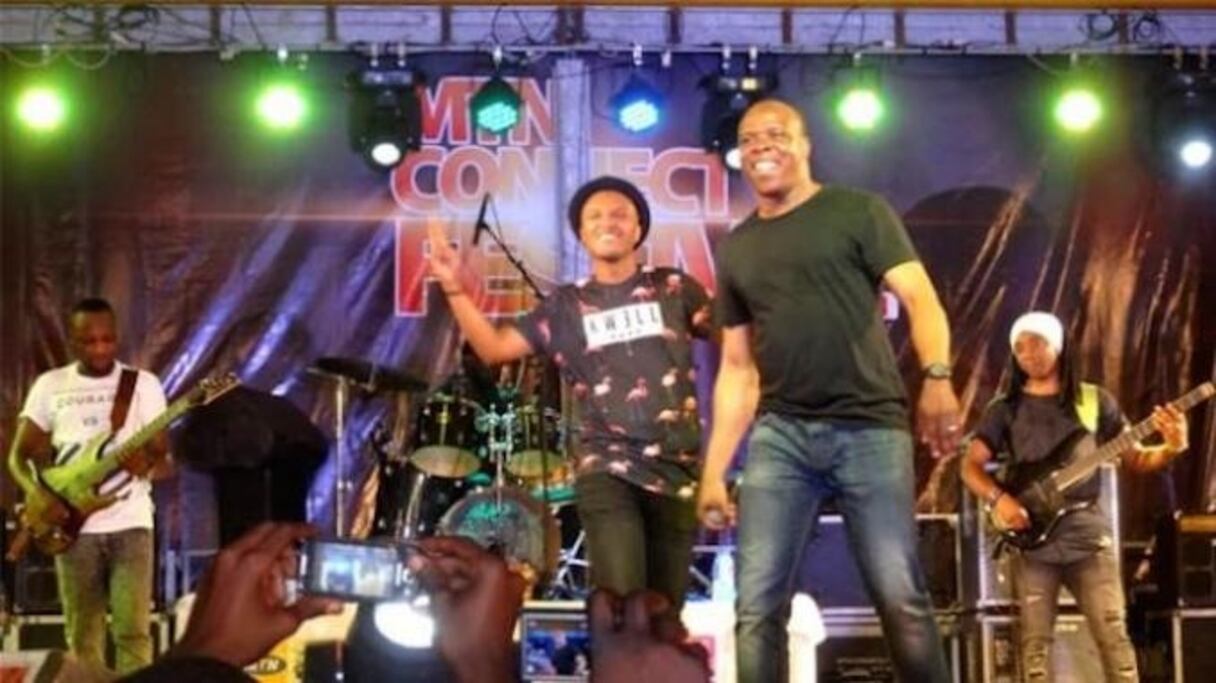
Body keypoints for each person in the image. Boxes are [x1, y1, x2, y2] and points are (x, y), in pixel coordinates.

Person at [697, 98, 961, 683]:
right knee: (756, 605)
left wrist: (938, 376)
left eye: (776, 133)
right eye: (749, 138)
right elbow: (737, 369)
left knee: (900, 595)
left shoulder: (858, 212)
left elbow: (920, 298)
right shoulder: (738, 246)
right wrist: (714, 470)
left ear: (805, 144)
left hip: (869, 427)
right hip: (781, 435)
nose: (762, 146)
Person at [426, 176, 714, 612]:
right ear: (581, 233)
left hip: (679, 471)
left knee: (664, 614)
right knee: (623, 607)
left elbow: (738, 340)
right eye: (594, 216)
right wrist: (453, 286)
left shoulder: (674, 287)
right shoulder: (565, 306)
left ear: (638, 229)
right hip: (608, 464)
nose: (607, 222)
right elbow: (494, 348)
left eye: (619, 215)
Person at [960, 311, 1188, 682]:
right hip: (1034, 541)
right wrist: (999, 499)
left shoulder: (1095, 401)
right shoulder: (1003, 409)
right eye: (1019, 348)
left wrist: (1172, 446)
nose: (1028, 353)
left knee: (1114, 638)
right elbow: (970, 466)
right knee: (1034, 648)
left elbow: (1138, 459)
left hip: (1088, 536)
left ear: (1059, 346)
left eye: (1037, 343)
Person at [7, 298, 174, 674]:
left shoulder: (143, 385)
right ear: (72, 340)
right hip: (73, 526)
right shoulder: (50, 386)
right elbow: (17, 457)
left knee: (133, 634)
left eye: (107, 340)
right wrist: (36, 493)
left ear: (117, 338)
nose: (99, 349)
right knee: (83, 637)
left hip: (131, 523)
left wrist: (146, 464)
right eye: (89, 341)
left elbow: (162, 456)